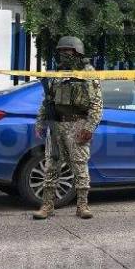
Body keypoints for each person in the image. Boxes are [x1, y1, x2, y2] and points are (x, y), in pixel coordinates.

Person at [32, 36, 103, 220]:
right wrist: (40, 121)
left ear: (77, 52)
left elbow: (96, 104)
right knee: (51, 165)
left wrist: (89, 128)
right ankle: (47, 206)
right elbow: (47, 100)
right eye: (61, 51)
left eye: (67, 50)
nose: (63, 54)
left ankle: (82, 206)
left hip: (77, 124)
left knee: (79, 166)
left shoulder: (87, 72)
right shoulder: (58, 73)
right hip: (56, 125)